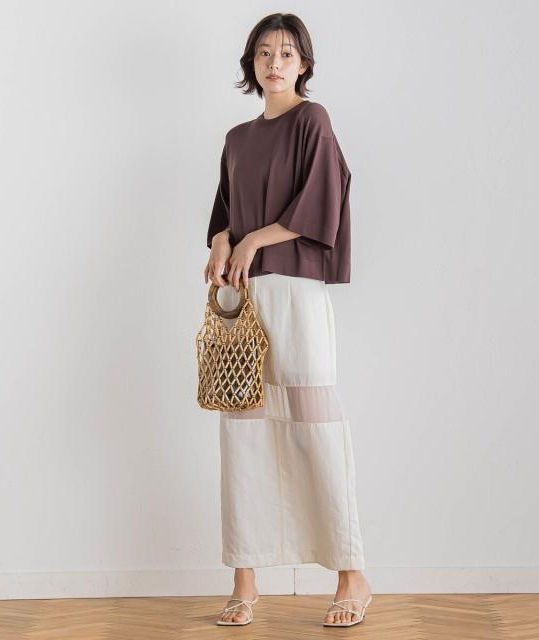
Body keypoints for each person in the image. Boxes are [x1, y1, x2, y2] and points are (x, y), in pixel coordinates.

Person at [203, 13, 373, 628]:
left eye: (286, 53)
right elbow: (225, 211)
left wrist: (254, 240)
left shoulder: (311, 121)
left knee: (313, 429)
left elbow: (320, 204)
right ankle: (245, 581)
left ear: (304, 63)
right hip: (243, 300)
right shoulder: (237, 137)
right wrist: (223, 242)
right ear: (251, 63)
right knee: (243, 435)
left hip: (296, 294)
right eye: (264, 53)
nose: (274, 63)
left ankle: (352, 575)